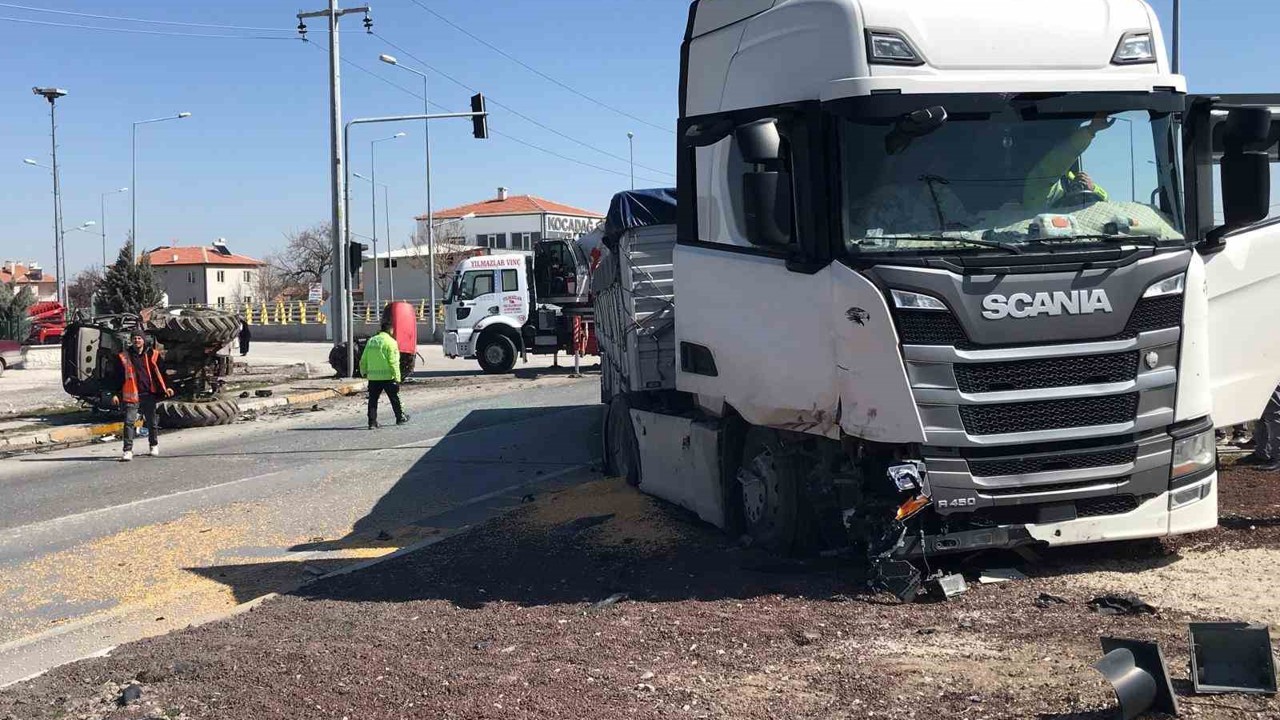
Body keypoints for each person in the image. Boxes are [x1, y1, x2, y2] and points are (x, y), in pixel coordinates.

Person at [111, 329, 174, 461]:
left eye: (139, 338)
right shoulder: (124, 357)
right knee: (129, 422)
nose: (137, 340)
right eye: (134, 338)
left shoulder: (153, 354)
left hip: (149, 394)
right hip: (132, 395)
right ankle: (128, 450)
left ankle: (153, 445)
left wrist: (168, 386)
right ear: (131, 340)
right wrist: (115, 393)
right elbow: (117, 377)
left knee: (152, 421)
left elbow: (162, 373)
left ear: (143, 340)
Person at [360, 316, 409, 429]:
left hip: (373, 378)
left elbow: (364, 359)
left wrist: (364, 372)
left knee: (373, 400)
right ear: (390, 330)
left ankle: (372, 422)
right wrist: (397, 377)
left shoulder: (372, 341)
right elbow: (393, 362)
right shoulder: (391, 342)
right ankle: (400, 417)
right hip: (388, 377)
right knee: (394, 398)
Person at [1241, 385, 1280, 471]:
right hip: (1257, 378)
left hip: (1268, 376)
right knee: (1259, 414)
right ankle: (1262, 453)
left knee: (1273, 413)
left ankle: (1278, 457)